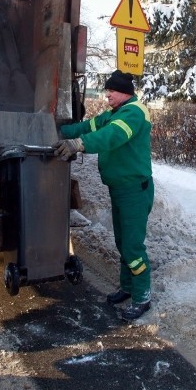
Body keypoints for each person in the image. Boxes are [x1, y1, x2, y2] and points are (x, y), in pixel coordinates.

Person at [55, 70, 154, 321]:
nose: (107, 93)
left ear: (124, 92)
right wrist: (61, 130)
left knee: (132, 245)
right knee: (123, 242)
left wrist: (80, 144)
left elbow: (111, 136)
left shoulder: (134, 112)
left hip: (134, 190)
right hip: (120, 188)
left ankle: (142, 296)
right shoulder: (114, 113)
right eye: (106, 89)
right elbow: (89, 126)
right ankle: (127, 287)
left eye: (111, 90)